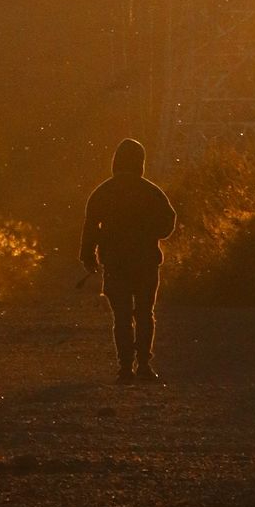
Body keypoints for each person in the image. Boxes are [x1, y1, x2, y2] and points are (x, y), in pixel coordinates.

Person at [79, 137, 177, 384]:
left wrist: (88, 255)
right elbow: (168, 222)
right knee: (145, 313)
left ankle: (125, 368)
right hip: (146, 262)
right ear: (141, 163)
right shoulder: (152, 191)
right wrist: (148, 232)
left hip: (115, 263)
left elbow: (90, 226)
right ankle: (144, 365)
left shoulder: (103, 192)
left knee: (121, 317)